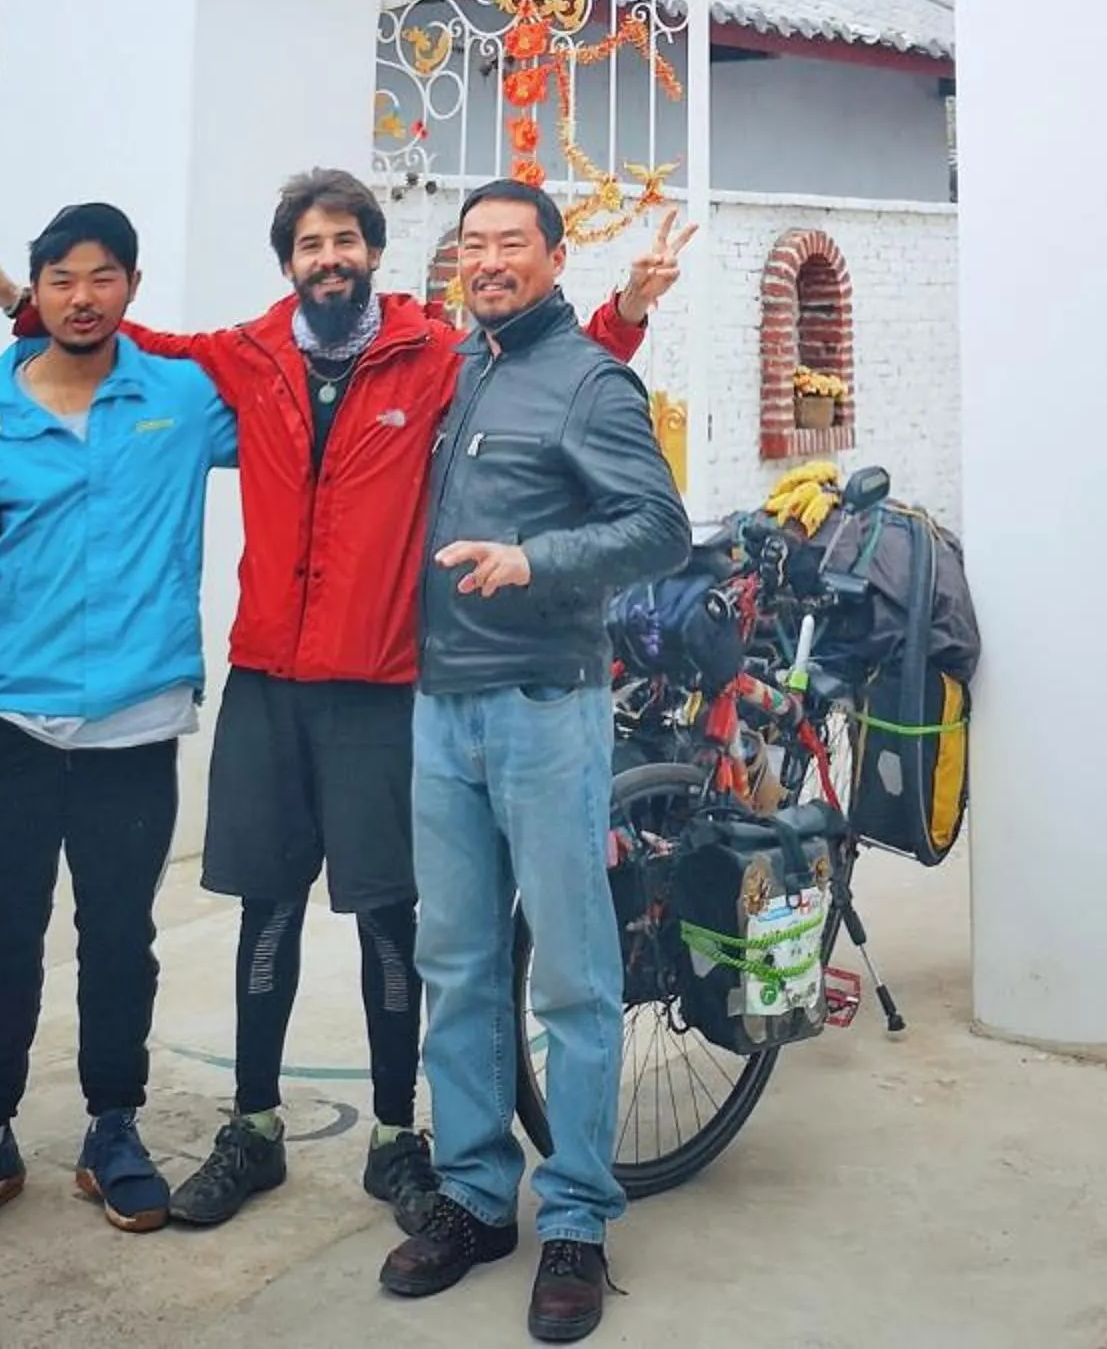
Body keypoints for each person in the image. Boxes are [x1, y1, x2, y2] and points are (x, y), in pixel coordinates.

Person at [0, 170, 692, 1235]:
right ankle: (254, 1127)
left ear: (374, 255)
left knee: (398, 925)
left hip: (383, 688)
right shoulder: (245, 358)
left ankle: (398, 1140)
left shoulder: (433, 350)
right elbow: (123, 340)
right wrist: (18, 297)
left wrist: (627, 313)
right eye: (308, 244)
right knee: (268, 911)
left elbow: (553, 378)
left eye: (345, 240)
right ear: (287, 260)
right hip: (270, 685)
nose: (327, 257)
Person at [381, 179, 691, 1348]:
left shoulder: (590, 381)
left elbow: (661, 525)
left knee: (569, 977)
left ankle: (574, 1217)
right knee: (457, 963)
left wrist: (536, 557)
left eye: (515, 244)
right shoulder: (462, 365)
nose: (493, 261)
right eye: (476, 246)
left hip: (545, 711)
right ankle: (472, 1193)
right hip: (440, 710)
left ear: (556, 258)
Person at [0, 200, 236, 1261]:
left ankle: (113, 1127)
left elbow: (293, 418)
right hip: (10, 732)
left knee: (120, 943)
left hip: (134, 731)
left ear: (132, 288)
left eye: (102, 277)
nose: (81, 296)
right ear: (35, 292)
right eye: (60, 279)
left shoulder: (180, 401)